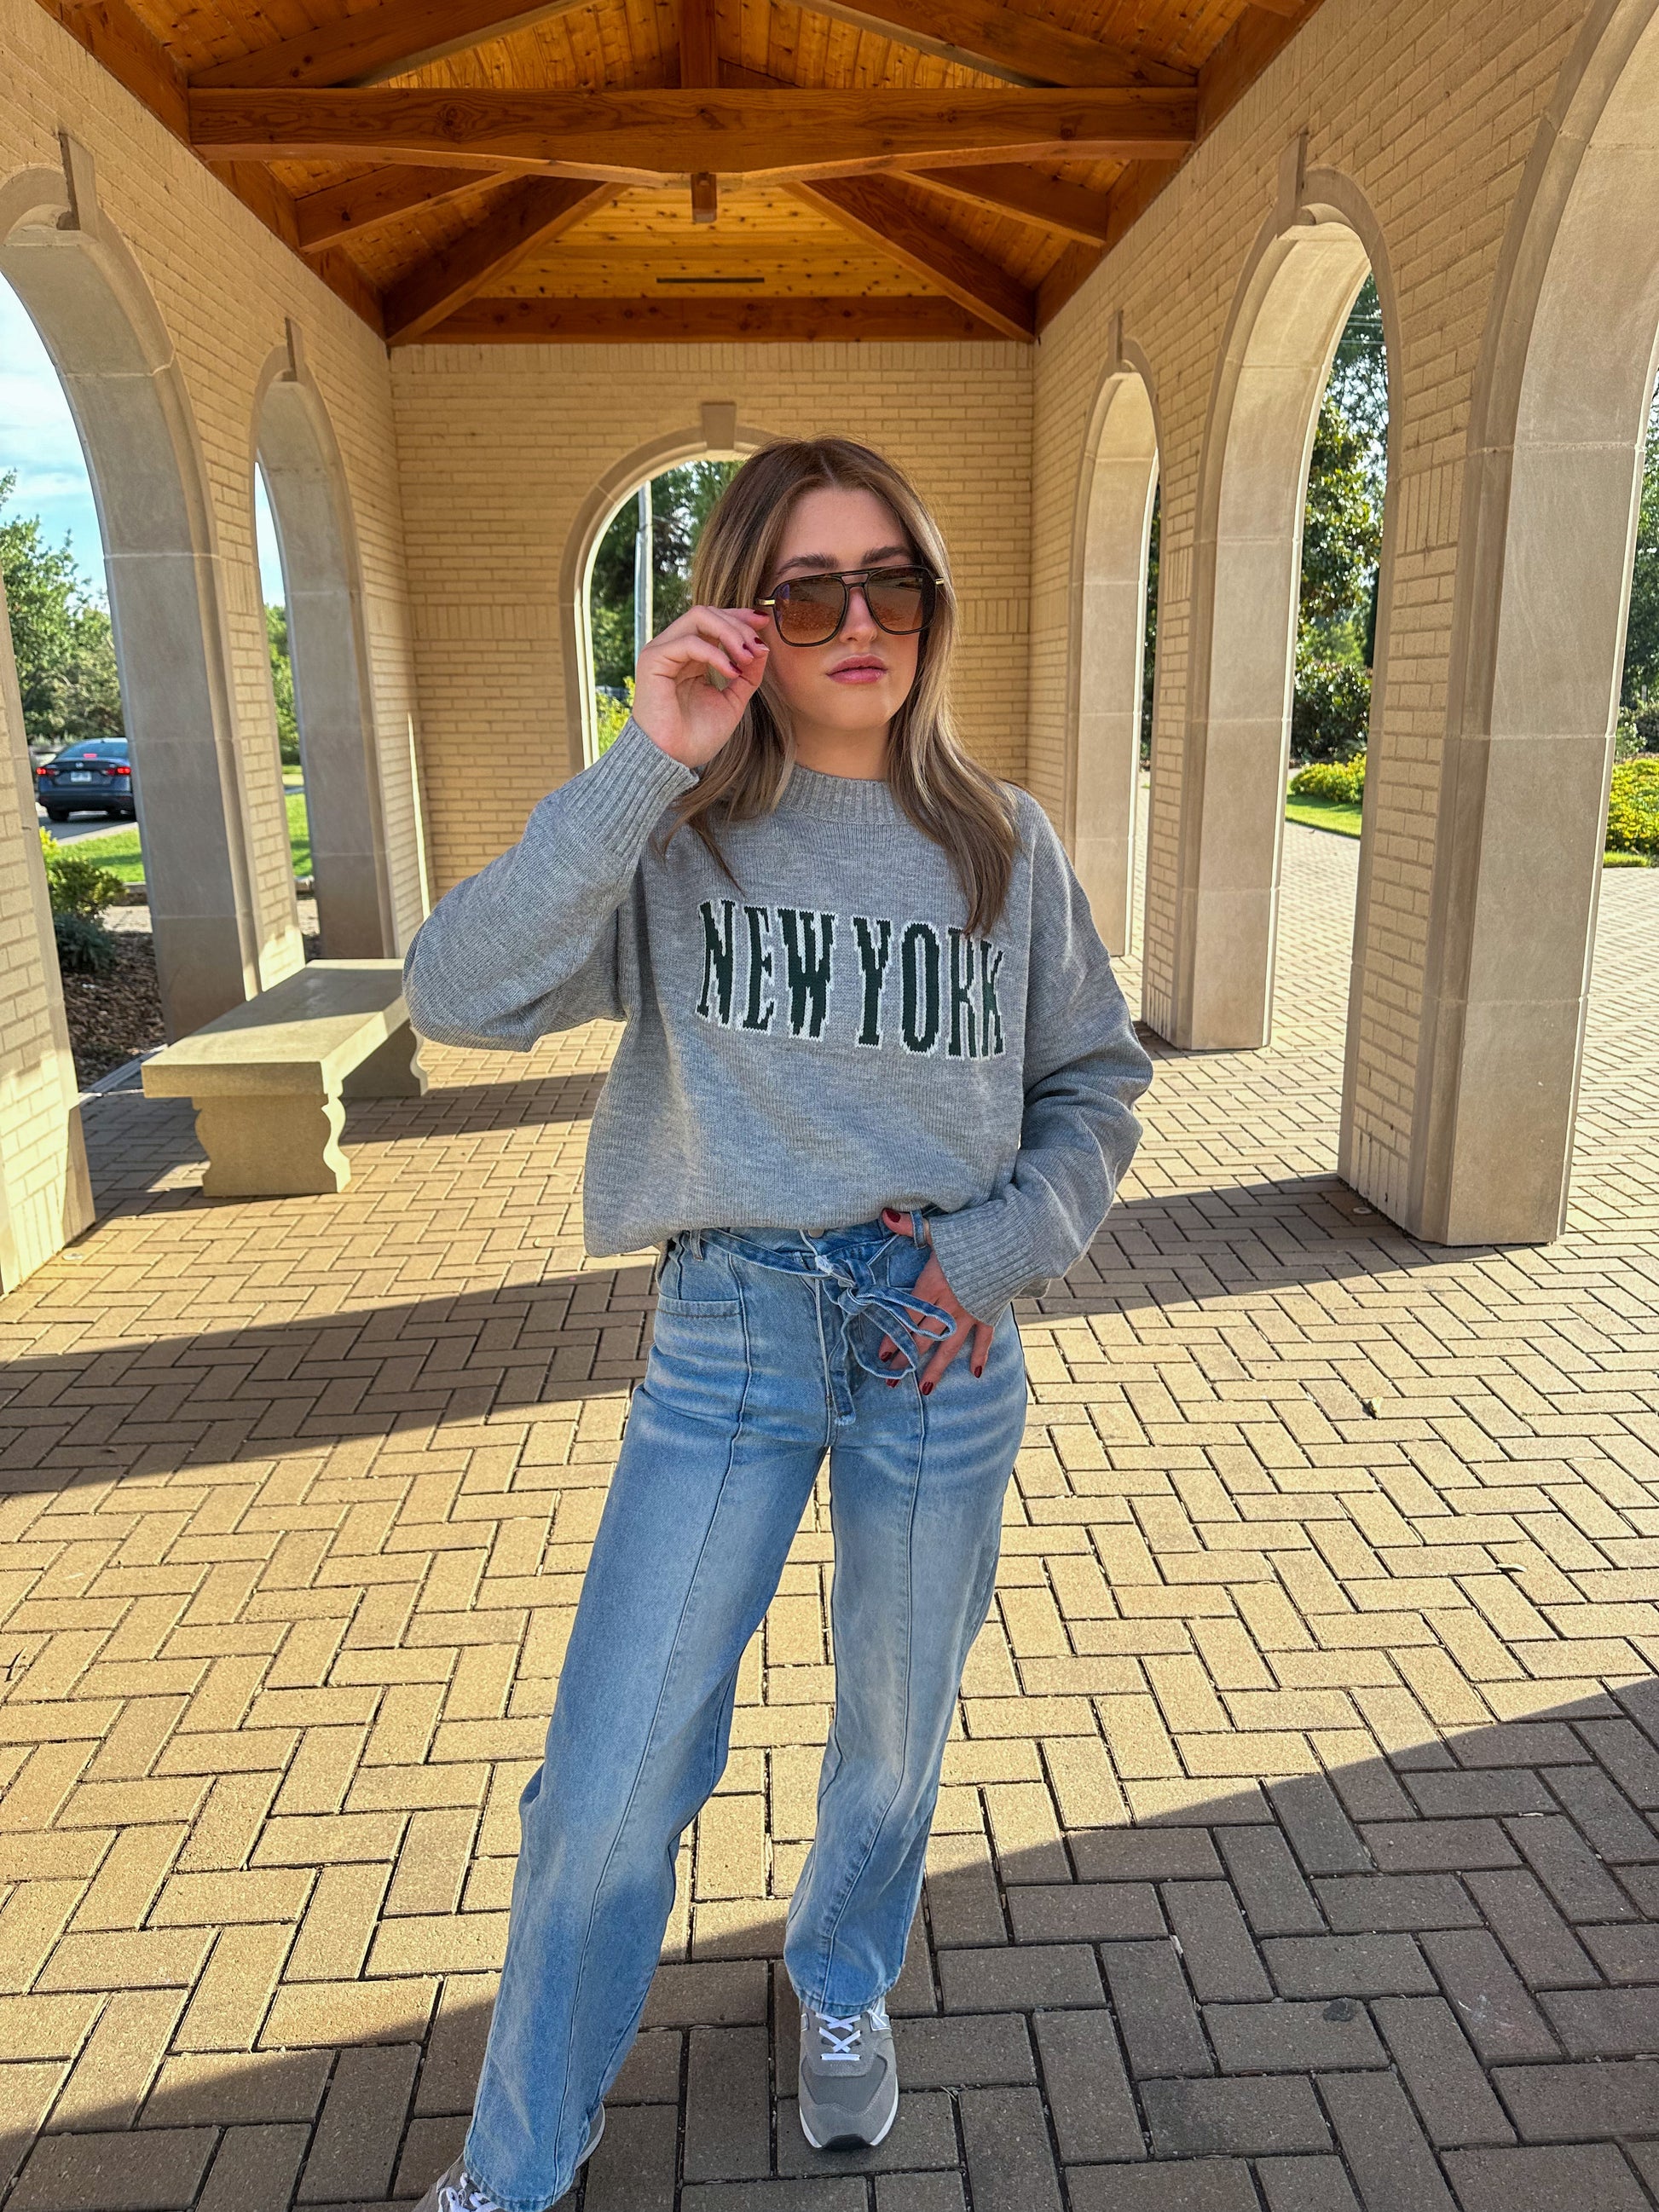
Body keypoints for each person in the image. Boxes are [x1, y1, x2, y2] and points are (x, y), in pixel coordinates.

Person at [405, 437, 1153, 2212]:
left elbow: (1095, 1085)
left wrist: (993, 1254)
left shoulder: (1002, 843)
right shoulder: (674, 844)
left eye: (890, 581)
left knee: (892, 1730)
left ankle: (838, 1974)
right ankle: (514, 2168)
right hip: (727, 1343)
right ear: (744, 617)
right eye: (807, 590)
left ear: (931, 604)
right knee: (607, 1776)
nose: (856, 621)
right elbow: (457, 995)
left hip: (936, 1344)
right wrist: (643, 761)